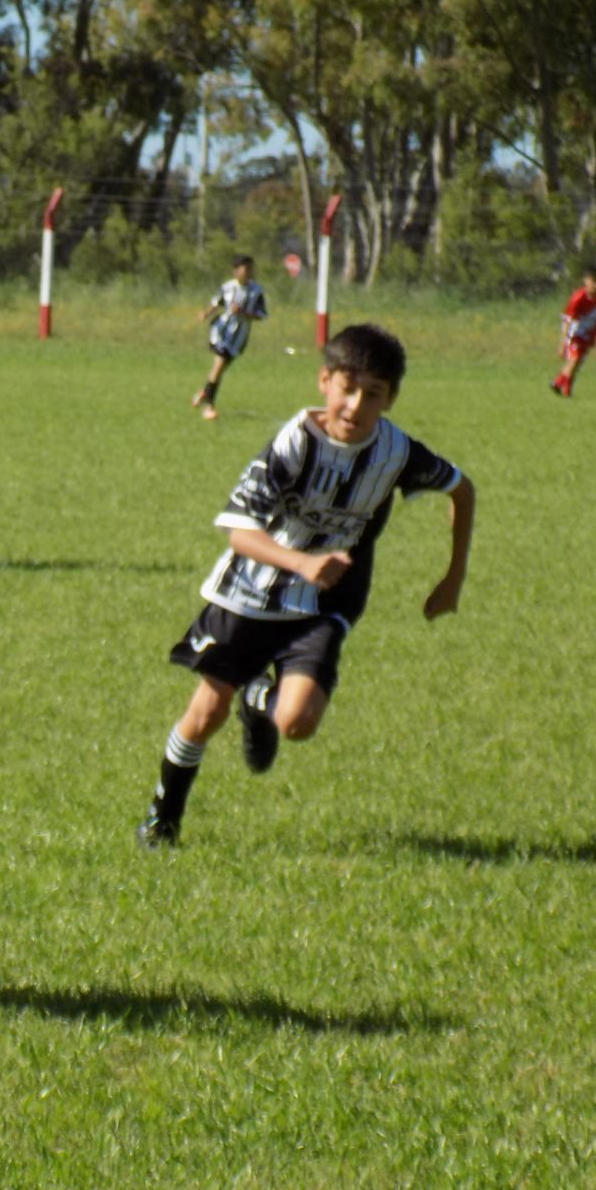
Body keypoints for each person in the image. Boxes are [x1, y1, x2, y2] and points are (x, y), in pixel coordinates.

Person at [138, 323, 475, 846]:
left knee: (297, 722)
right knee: (207, 712)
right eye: (347, 388)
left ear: (390, 399)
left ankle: (261, 700)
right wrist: (300, 562)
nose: (356, 405)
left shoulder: (396, 452)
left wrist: (453, 577)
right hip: (250, 591)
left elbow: (462, 489)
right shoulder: (293, 444)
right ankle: (163, 818)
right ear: (324, 381)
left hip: (323, 603)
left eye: (373, 394)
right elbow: (238, 531)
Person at [190, 255, 268, 421]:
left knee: (219, 370)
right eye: (246, 269)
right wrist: (206, 313)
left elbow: (262, 314)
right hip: (221, 332)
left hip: (239, 337)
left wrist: (244, 313)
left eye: (251, 268)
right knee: (218, 366)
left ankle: (204, 393)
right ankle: (208, 407)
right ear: (236, 271)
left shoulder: (256, 291)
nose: (249, 272)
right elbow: (216, 302)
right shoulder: (228, 287)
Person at [551, 262, 596, 399]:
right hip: (575, 333)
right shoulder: (578, 298)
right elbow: (567, 321)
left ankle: (566, 391)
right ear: (586, 281)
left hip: (589, 334)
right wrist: (562, 344)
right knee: (575, 359)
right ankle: (557, 382)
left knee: (577, 363)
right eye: (592, 281)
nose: (595, 285)